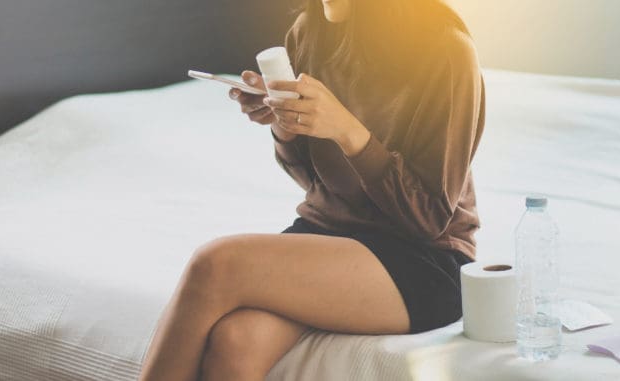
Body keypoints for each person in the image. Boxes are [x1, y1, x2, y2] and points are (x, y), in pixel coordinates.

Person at [138, 0, 485, 380]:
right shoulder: (312, 31)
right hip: (329, 234)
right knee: (237, 341)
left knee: (215, 263)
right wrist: (284, 124)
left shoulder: (446, 50)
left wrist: (347, 130)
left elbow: (429, 218)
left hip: (422, 258)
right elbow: (313, 182)